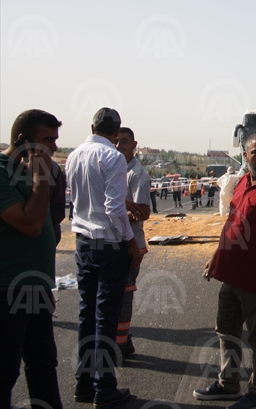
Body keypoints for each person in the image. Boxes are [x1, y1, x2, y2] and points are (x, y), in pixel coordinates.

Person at [194, 134, 256, 409]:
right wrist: (216, 255)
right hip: (231, 275)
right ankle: (228, 385)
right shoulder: (242, 182)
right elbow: (232, 221)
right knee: (226, 330)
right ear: (245, 155)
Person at [66, 108, 142, 408]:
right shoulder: (112, 158)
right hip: (108, 245)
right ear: (116, 132)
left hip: (83, 241)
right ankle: (104, 387)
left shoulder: (74, 155)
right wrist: (130, 242)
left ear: (92, 126)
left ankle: (83, 383)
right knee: (106, 317)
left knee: (87, 315)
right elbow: (114, 209)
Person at [1, 109, 63, 409]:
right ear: (23, 140)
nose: (53, 147)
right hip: (7, 290)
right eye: (47, 140)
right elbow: (30, 223)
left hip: (34, 288)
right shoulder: (2, 172)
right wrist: (41, 178)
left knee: (43, 364)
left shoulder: (26, 172)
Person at [114, 128, 151, 357]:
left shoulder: (137, 173)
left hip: (131, 244)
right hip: (115, 241)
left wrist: (115, 213)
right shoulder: (113, 166)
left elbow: (144, 212)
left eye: (124, 142)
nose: (119, 145)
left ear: (134, 144)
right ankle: (123, 341)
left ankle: (119, 346)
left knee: (124, 295)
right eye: (115, 141)